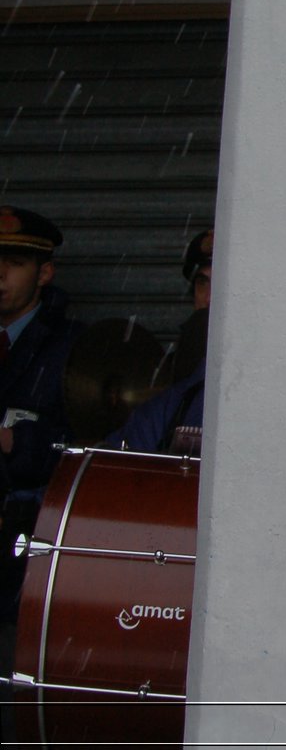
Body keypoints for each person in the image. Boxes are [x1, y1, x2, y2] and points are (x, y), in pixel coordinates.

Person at [0, 205, 84, 740]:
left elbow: (75, 451)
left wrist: (14, 438)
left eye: (12, 263)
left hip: (21, 551)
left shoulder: (73, 350)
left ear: (44, 272)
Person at [103, 227, 212, 454]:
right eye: (203, 283)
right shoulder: (175, 377)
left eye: (223, 283)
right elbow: (127, 459)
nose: (210, 297)